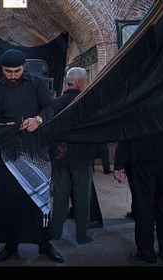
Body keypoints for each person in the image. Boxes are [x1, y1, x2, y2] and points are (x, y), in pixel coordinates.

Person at [0, 49, 63, 263]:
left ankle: (44, 242)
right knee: (9, 199)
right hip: (10, 152)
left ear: (24, 68)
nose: (12, 76)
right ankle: (10, 243)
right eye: (8, 71)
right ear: (2, 69)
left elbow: (49, 107)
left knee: (38, 198)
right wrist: (5, 127)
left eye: (17, 71)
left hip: (36, 148)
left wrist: (38, 120)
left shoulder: (37, 84)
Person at [113, 127, 163, 266]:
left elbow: (127, 130)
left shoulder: (136, 103)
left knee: (144, 207)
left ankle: (145, 253)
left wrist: (119, 163)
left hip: (142, 158)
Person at [50, 67, 95, 245]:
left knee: (60, 196)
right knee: (82, 197)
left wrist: (56, 148)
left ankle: (55, 232)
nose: (86, 84)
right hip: (81, 157)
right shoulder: (86, 102)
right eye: (85, 80)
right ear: (78, 82)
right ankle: (82, 235)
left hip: (60, 156)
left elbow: (49, 130)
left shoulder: (55, 103)